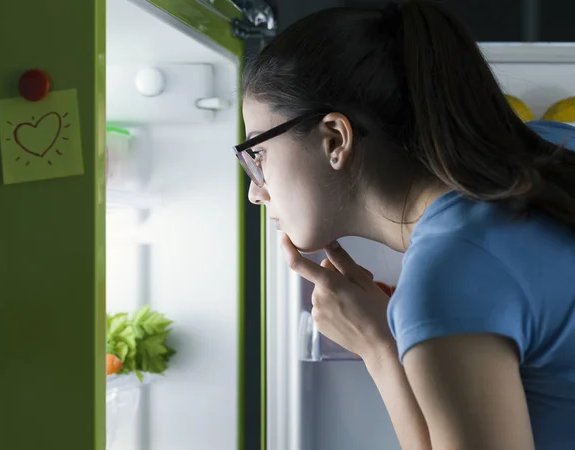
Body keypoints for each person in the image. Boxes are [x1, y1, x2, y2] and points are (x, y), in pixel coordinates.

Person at [234, 1, 575, 449]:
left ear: (334, 139)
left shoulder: (448, 277)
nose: (255, 191)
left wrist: (379, 347)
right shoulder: (551, 142)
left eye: (257, 156)